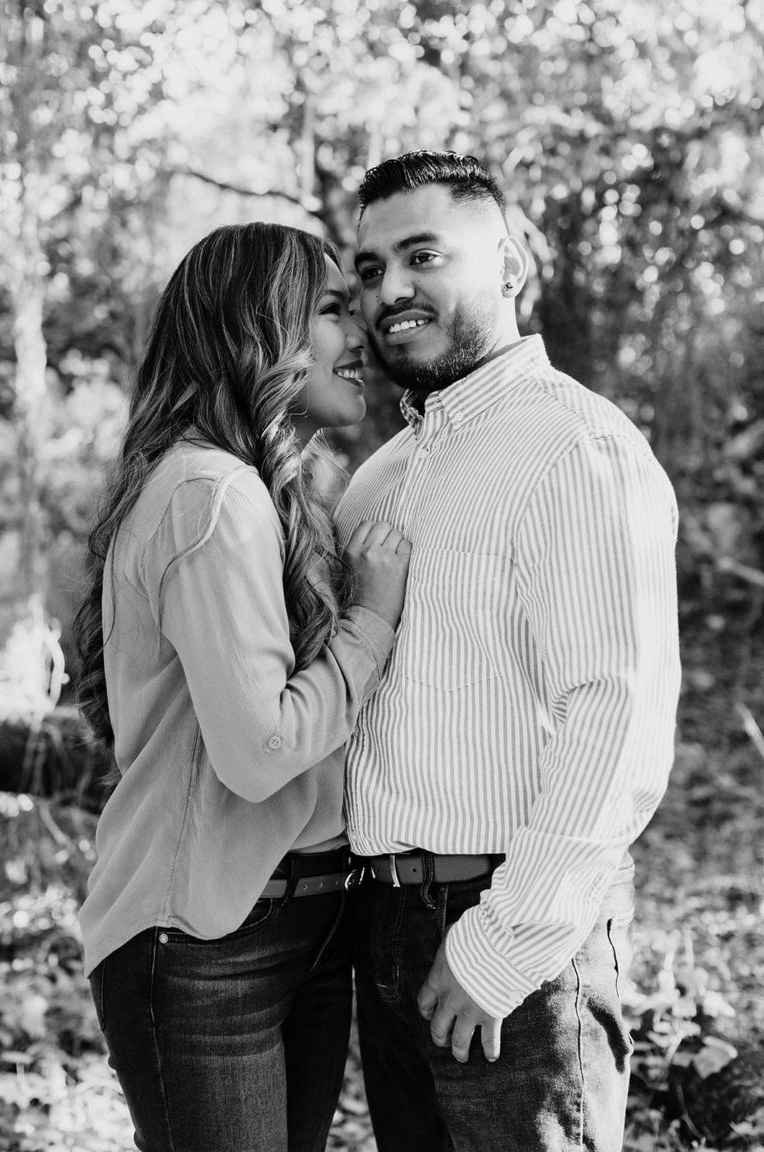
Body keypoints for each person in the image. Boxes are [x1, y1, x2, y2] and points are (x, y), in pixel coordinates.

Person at [334, 151, 681, 1152]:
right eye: (367, 269)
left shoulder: (575, 449)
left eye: (422, 254)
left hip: (515, 937)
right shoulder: (384, 478)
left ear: (510, 265)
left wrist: (502, 945)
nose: (390, 289)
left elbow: (615, 719)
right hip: (386, 930)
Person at [73, 221, 411, 1152]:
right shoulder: (207, 492)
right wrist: (371, 621)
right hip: (202, 942)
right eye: (335, 312)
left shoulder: (265, 490)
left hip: (301, 918)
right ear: (259, 334)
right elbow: (261, 753)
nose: (363, 334)